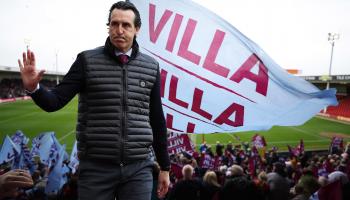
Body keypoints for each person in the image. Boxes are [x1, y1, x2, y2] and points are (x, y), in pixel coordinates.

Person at [17, 1, 170, 200]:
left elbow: (157, 118)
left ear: (137, 29)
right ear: (108, 26)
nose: (119, 30)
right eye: (114, 24)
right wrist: (33, 88)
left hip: (138, 167)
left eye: (126, 25)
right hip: (97, 169)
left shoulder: (150, 66)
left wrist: (165, 167)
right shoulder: (87, 61)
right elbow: (54, 101)